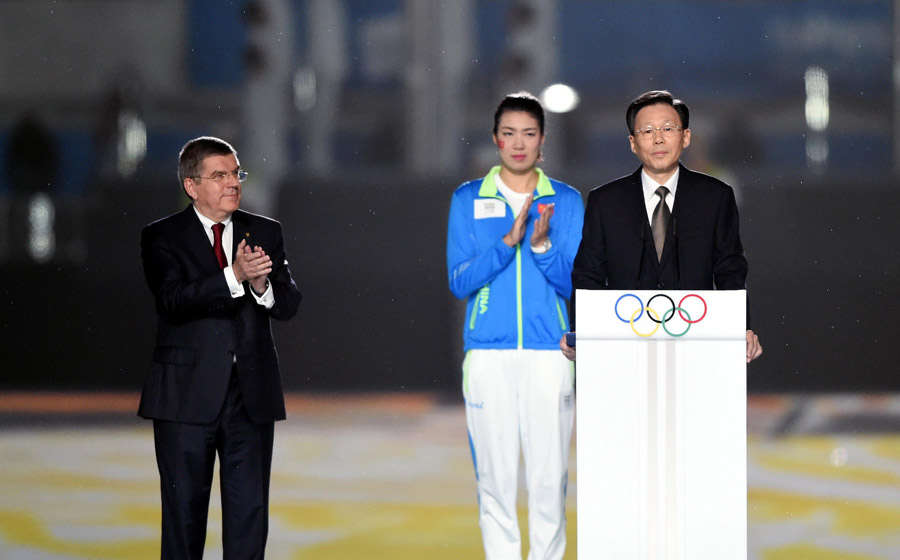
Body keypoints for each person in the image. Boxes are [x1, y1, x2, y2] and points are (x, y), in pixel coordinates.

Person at [139, 136, 302, 559]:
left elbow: (288, 304)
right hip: (185, 398)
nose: (233, 183)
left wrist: (263, 285)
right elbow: (172, 300)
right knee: (183, 524)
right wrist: (235, 277)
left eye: (236, 173)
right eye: (220, 175)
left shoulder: (265, 231)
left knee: (249, 521)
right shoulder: (162, 236)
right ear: (192, 186)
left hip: (249, 397)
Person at [447, 92, 584, 560]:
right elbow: (460, 280)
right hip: (487, 356)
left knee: (548, 483)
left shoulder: (564, 201)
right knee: (496, 481)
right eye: (509, 133)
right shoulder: (468, 199)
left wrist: (542, 247)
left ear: (542, 141)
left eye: (529, 133)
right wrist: (508, 242)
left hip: (551, 353)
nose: (519, 143)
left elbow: (577, 282)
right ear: (495, 139)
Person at [560, 90, 762, 362]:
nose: (658, 138)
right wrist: (580, 331)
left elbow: (730, 270)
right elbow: (588, 274)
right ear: (632, 142)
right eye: (646, 131)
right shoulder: (605, 201)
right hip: (624, 347)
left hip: (696, 343)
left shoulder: (715, 196)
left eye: (668, 128)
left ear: (685, 137)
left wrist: (741, 327)